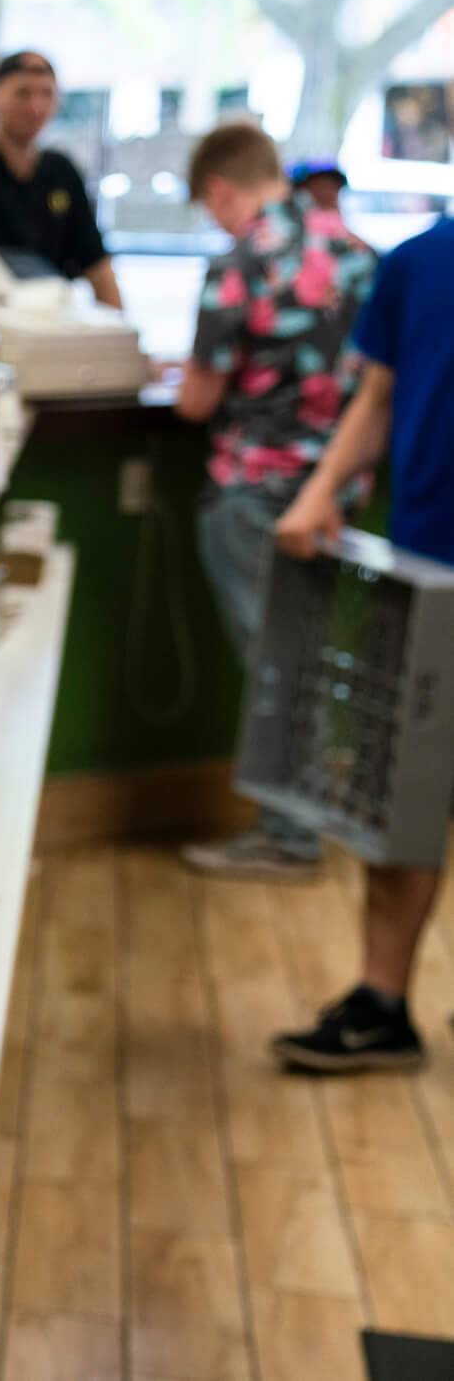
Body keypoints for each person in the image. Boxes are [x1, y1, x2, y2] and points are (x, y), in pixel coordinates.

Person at [266, 207, 454, 1070]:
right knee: (405, 797)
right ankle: (383, 1004)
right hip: (427, 566)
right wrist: (321, 489)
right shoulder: (415, 262)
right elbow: (378, 396)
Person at [174, 124, 377, 881]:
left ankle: (290, 836)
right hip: (335, 492)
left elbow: (198, 399)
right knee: (305, 652)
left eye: (210, 206)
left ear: (222, 189)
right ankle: (315, 816)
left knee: (274, 661)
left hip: (254, 491)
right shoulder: (356, 250)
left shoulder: (239, 263)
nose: (215, 219)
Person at [0, 51, 123, 309]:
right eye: (23, 93)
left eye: (46, 94)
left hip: (53, 316)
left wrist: (123, 336)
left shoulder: (62, 172)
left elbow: (97, 264)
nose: (35, 107)